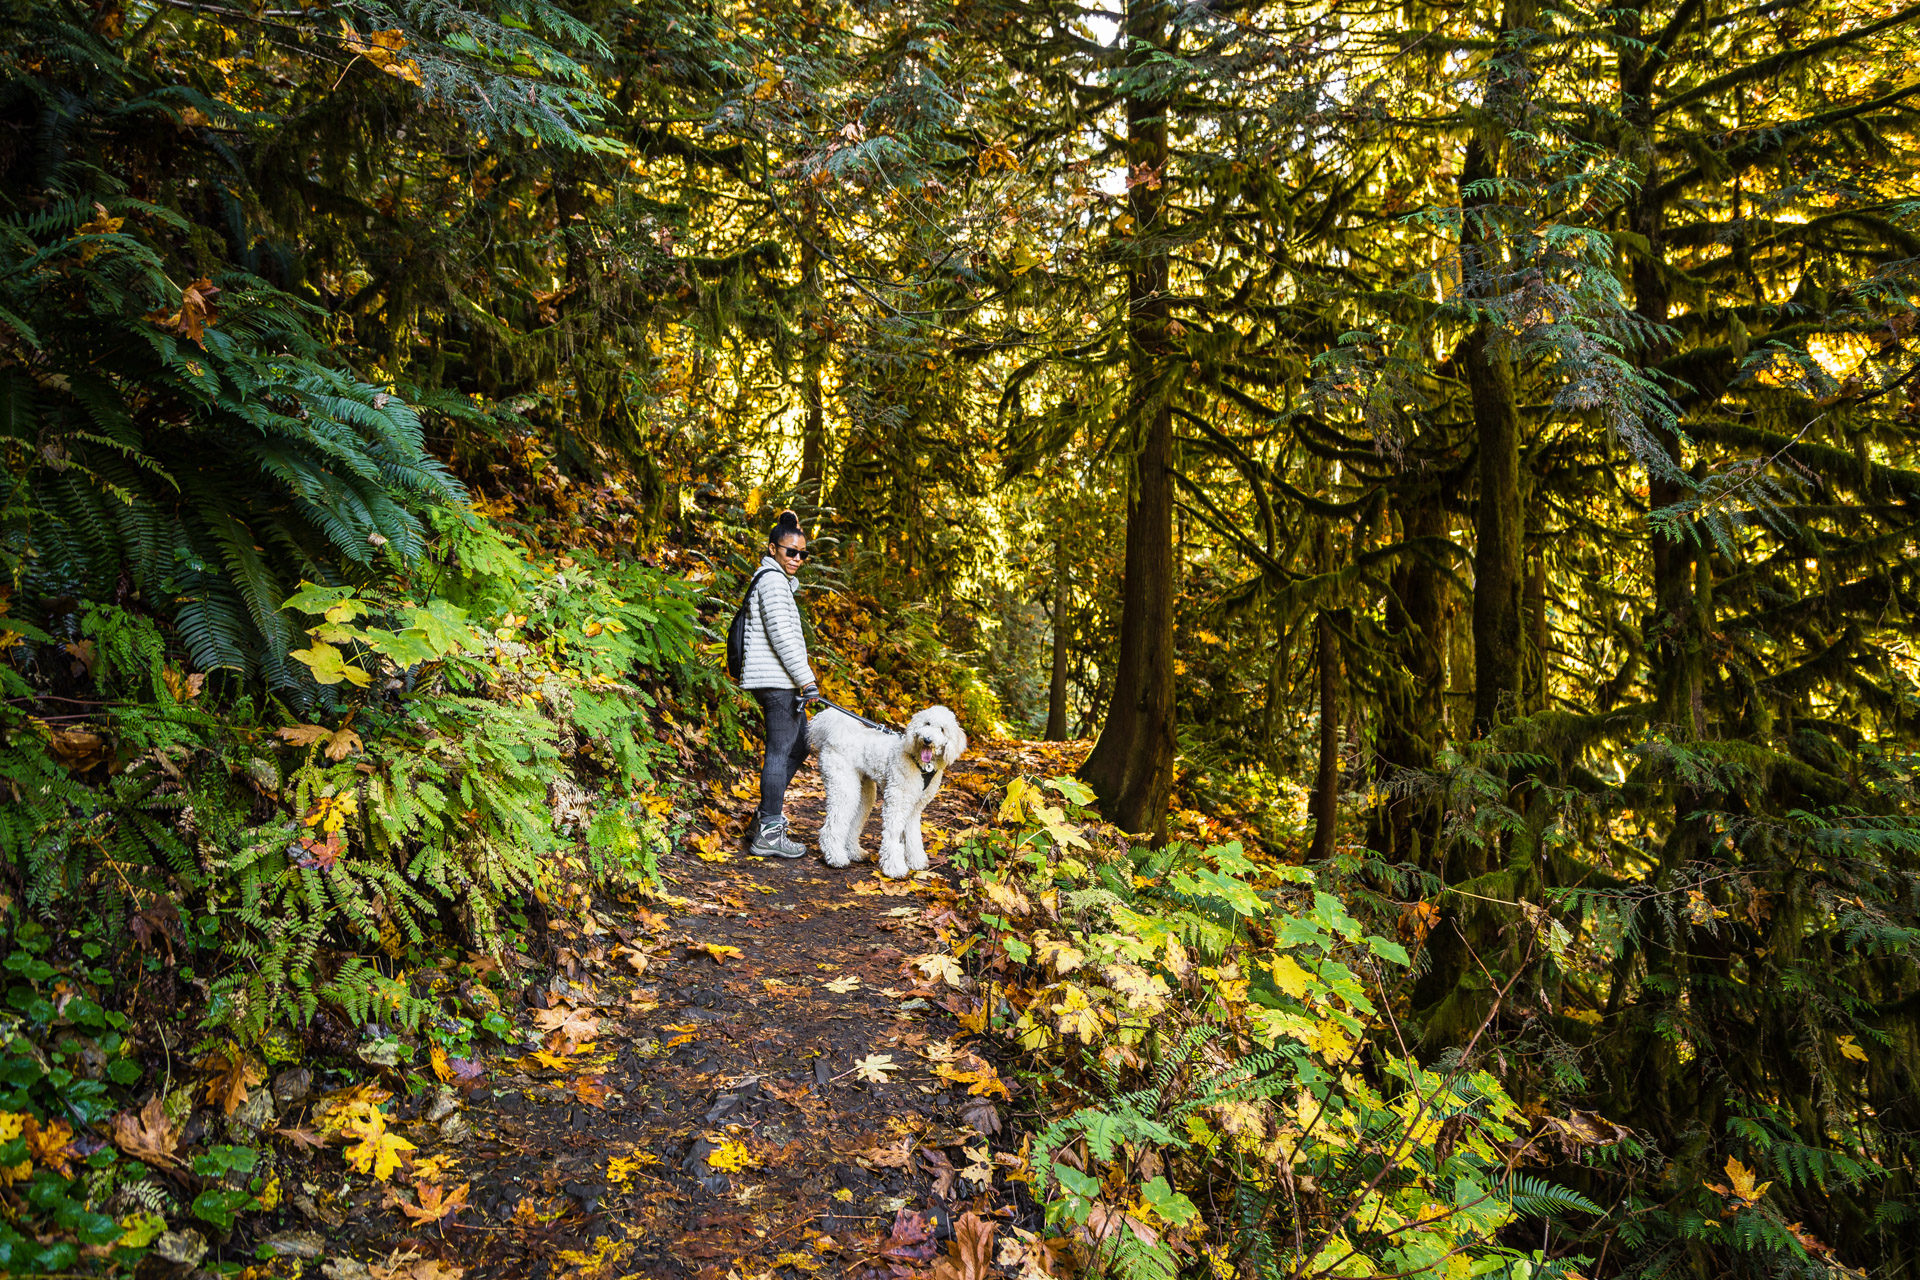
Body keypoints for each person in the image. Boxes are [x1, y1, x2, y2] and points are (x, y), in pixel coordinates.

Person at [738, 510, 821, 858]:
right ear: (773, 549)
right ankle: (770, 830)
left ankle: (764, 816)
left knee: (801, 743)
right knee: (779, 750)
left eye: (803, 553)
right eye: (791, 551)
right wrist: (808, 681)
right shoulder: (772, 582)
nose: (798, 558)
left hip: (778, 679)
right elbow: (782, 638)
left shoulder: (777, 580)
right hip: (776, 682)